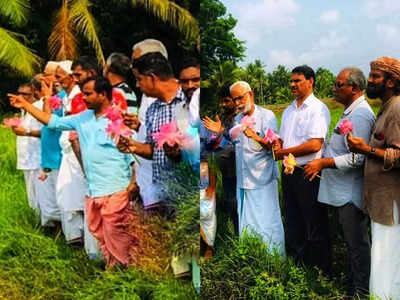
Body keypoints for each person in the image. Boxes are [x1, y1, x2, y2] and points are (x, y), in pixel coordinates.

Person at [9, 76, 137, 268]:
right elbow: (52, 122)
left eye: (88, 94)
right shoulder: (83, 118)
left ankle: (123, 276)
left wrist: (132, 184)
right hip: (94, 191)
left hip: (116, 191)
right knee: (101, 236)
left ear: (102, 95)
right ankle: (115, 274)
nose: (83, 98)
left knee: (118, 237)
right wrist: (26, 105)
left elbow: (134, 157)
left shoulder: (119, 119)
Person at [304, 67, 375, 296]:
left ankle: (361, 291)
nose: (334, 88)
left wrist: (323, 163)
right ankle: (354, 286)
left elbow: (358, 157)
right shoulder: (348, 112)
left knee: (357, 246)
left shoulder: (361, 115)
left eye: (338, 84)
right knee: (351, 244)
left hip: (350, 193)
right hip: (340, 190)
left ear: (354, 88)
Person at [347, 56, 400, 299]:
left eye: (375, 77)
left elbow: (397, 155)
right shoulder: (386, 106)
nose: (370, 81)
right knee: (383, 255)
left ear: (391, 82)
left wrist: (365, 149)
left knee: (387, 256)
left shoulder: (397, 108)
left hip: (390, 201)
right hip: (380, 199)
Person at [274, 65, 331, 273]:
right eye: (291, 81)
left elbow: (315, 144)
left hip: (308, 172)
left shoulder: (317, 109)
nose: (292, 85)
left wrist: (282, 152)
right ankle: (299, 266)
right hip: (289, 172)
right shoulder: (289, 110)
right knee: (293, 219)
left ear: (311, 81)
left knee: (313, 221)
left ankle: (321, 271)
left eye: (297, 81)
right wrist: (277, 145)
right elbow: (284, 140)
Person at [118, 52, 185, 212]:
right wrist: (133, 147)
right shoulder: (152, 110)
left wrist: (179, 152)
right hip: (161, 194)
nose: (137, 85)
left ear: (153, 78)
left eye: (139, 79)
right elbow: (153, 150)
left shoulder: (188, 100)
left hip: (186, 194)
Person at [230, 81, 285, 254]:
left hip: (263, 179)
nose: (238, 102)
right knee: (247, 222)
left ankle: (274, 259)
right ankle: (253, 257)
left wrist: (255, 136)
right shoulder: (237, 120)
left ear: (251, 95)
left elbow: (275, 148)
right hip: (244, 179)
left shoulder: (267, 116)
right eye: (235, 99)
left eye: (241, 97)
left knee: (268, 221)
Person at [128, 39, 169, 209]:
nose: (133, 65)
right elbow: (150, 134)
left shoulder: (173, 99)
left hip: (163, 182)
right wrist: (138, 126)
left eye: (137, 60)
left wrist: (133, 146)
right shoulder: (147, 95)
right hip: (146, 176)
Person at [202, 83, 238, 233]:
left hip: (238, 168)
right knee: (229, 198)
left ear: (235, 100)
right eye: (221, 101)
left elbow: (239, 142)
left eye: (226, 101)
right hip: (225, 168)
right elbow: (213, 138)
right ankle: (232, 230)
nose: (222, 105)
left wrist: (222, 132)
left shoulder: (240, 118)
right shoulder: (223, 117)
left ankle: (239, 232)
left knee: (236, 200)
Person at [11, 83, 43, 213]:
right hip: (27, 159)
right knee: (31, 196)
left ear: (34, 93)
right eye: (19, 93)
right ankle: (37, 220)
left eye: (25, 94)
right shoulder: (24, 110)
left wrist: (26, 132)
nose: (21, 96)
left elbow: (45, 132)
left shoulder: (38, 107)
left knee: (40, 196)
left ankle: (46, 224)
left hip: (37, 158)